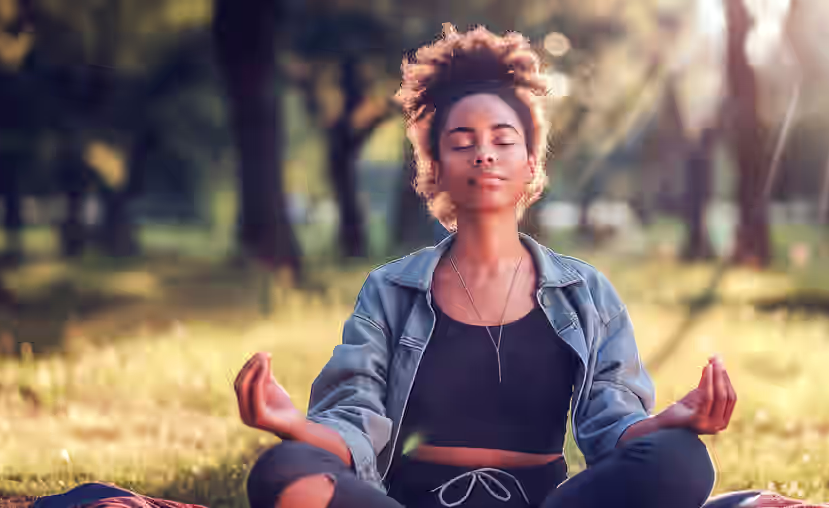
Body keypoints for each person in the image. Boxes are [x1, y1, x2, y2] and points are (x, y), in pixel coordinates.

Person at [236, 25, 738, 508]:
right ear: (434, 166)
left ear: (529, 163)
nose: (483, 155)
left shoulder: (586, 292)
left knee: (680, 459)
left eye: (502, 140)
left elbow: (615, 428)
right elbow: (355, 420)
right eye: (461, 142)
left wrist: (673, 418)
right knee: (284, 470)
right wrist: (292, 424)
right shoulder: (390, 289)